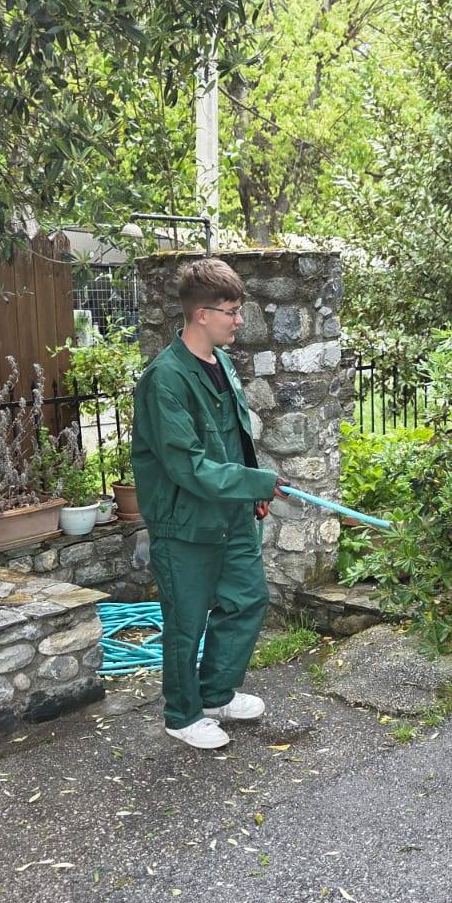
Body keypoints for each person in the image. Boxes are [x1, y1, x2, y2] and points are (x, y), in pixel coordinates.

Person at [130, 257, 287, 750]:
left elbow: (234, 441)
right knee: (186, 621)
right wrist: (257, 482)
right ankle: (182, 714)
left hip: (231, 514)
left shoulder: (222, 364)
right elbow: (187, 465)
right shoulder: (164, 379)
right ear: (202, 314)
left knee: (247, 600)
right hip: (185, 522)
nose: (239, 320)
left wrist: (251, 493)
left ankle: (217, 695)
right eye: (231, 311)